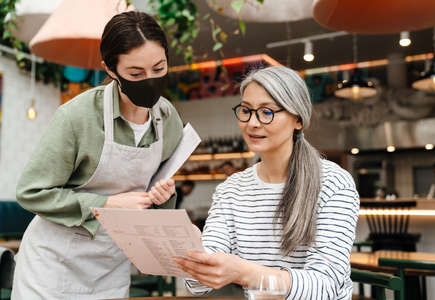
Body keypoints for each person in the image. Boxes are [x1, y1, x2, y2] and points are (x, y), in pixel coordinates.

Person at [12, 11, 183, 300]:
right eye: (136, 74)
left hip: (110, 269)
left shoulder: (168, 121)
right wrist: (109, 203)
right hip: (51, 269)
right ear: (111, 70)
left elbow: (151, 205)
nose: (150, 80)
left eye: (158, 68)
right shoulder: (77, 118)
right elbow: (31, 192)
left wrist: (162, 199)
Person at [174, 66, 360, 299]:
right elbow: (198, 286)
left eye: (267, 112)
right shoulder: (231, 190)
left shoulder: (333, 183)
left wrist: (245, 273)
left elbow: (326, 286)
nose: (252, 123)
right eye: (246, 110)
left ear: (298, 119)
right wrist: (192, 251)